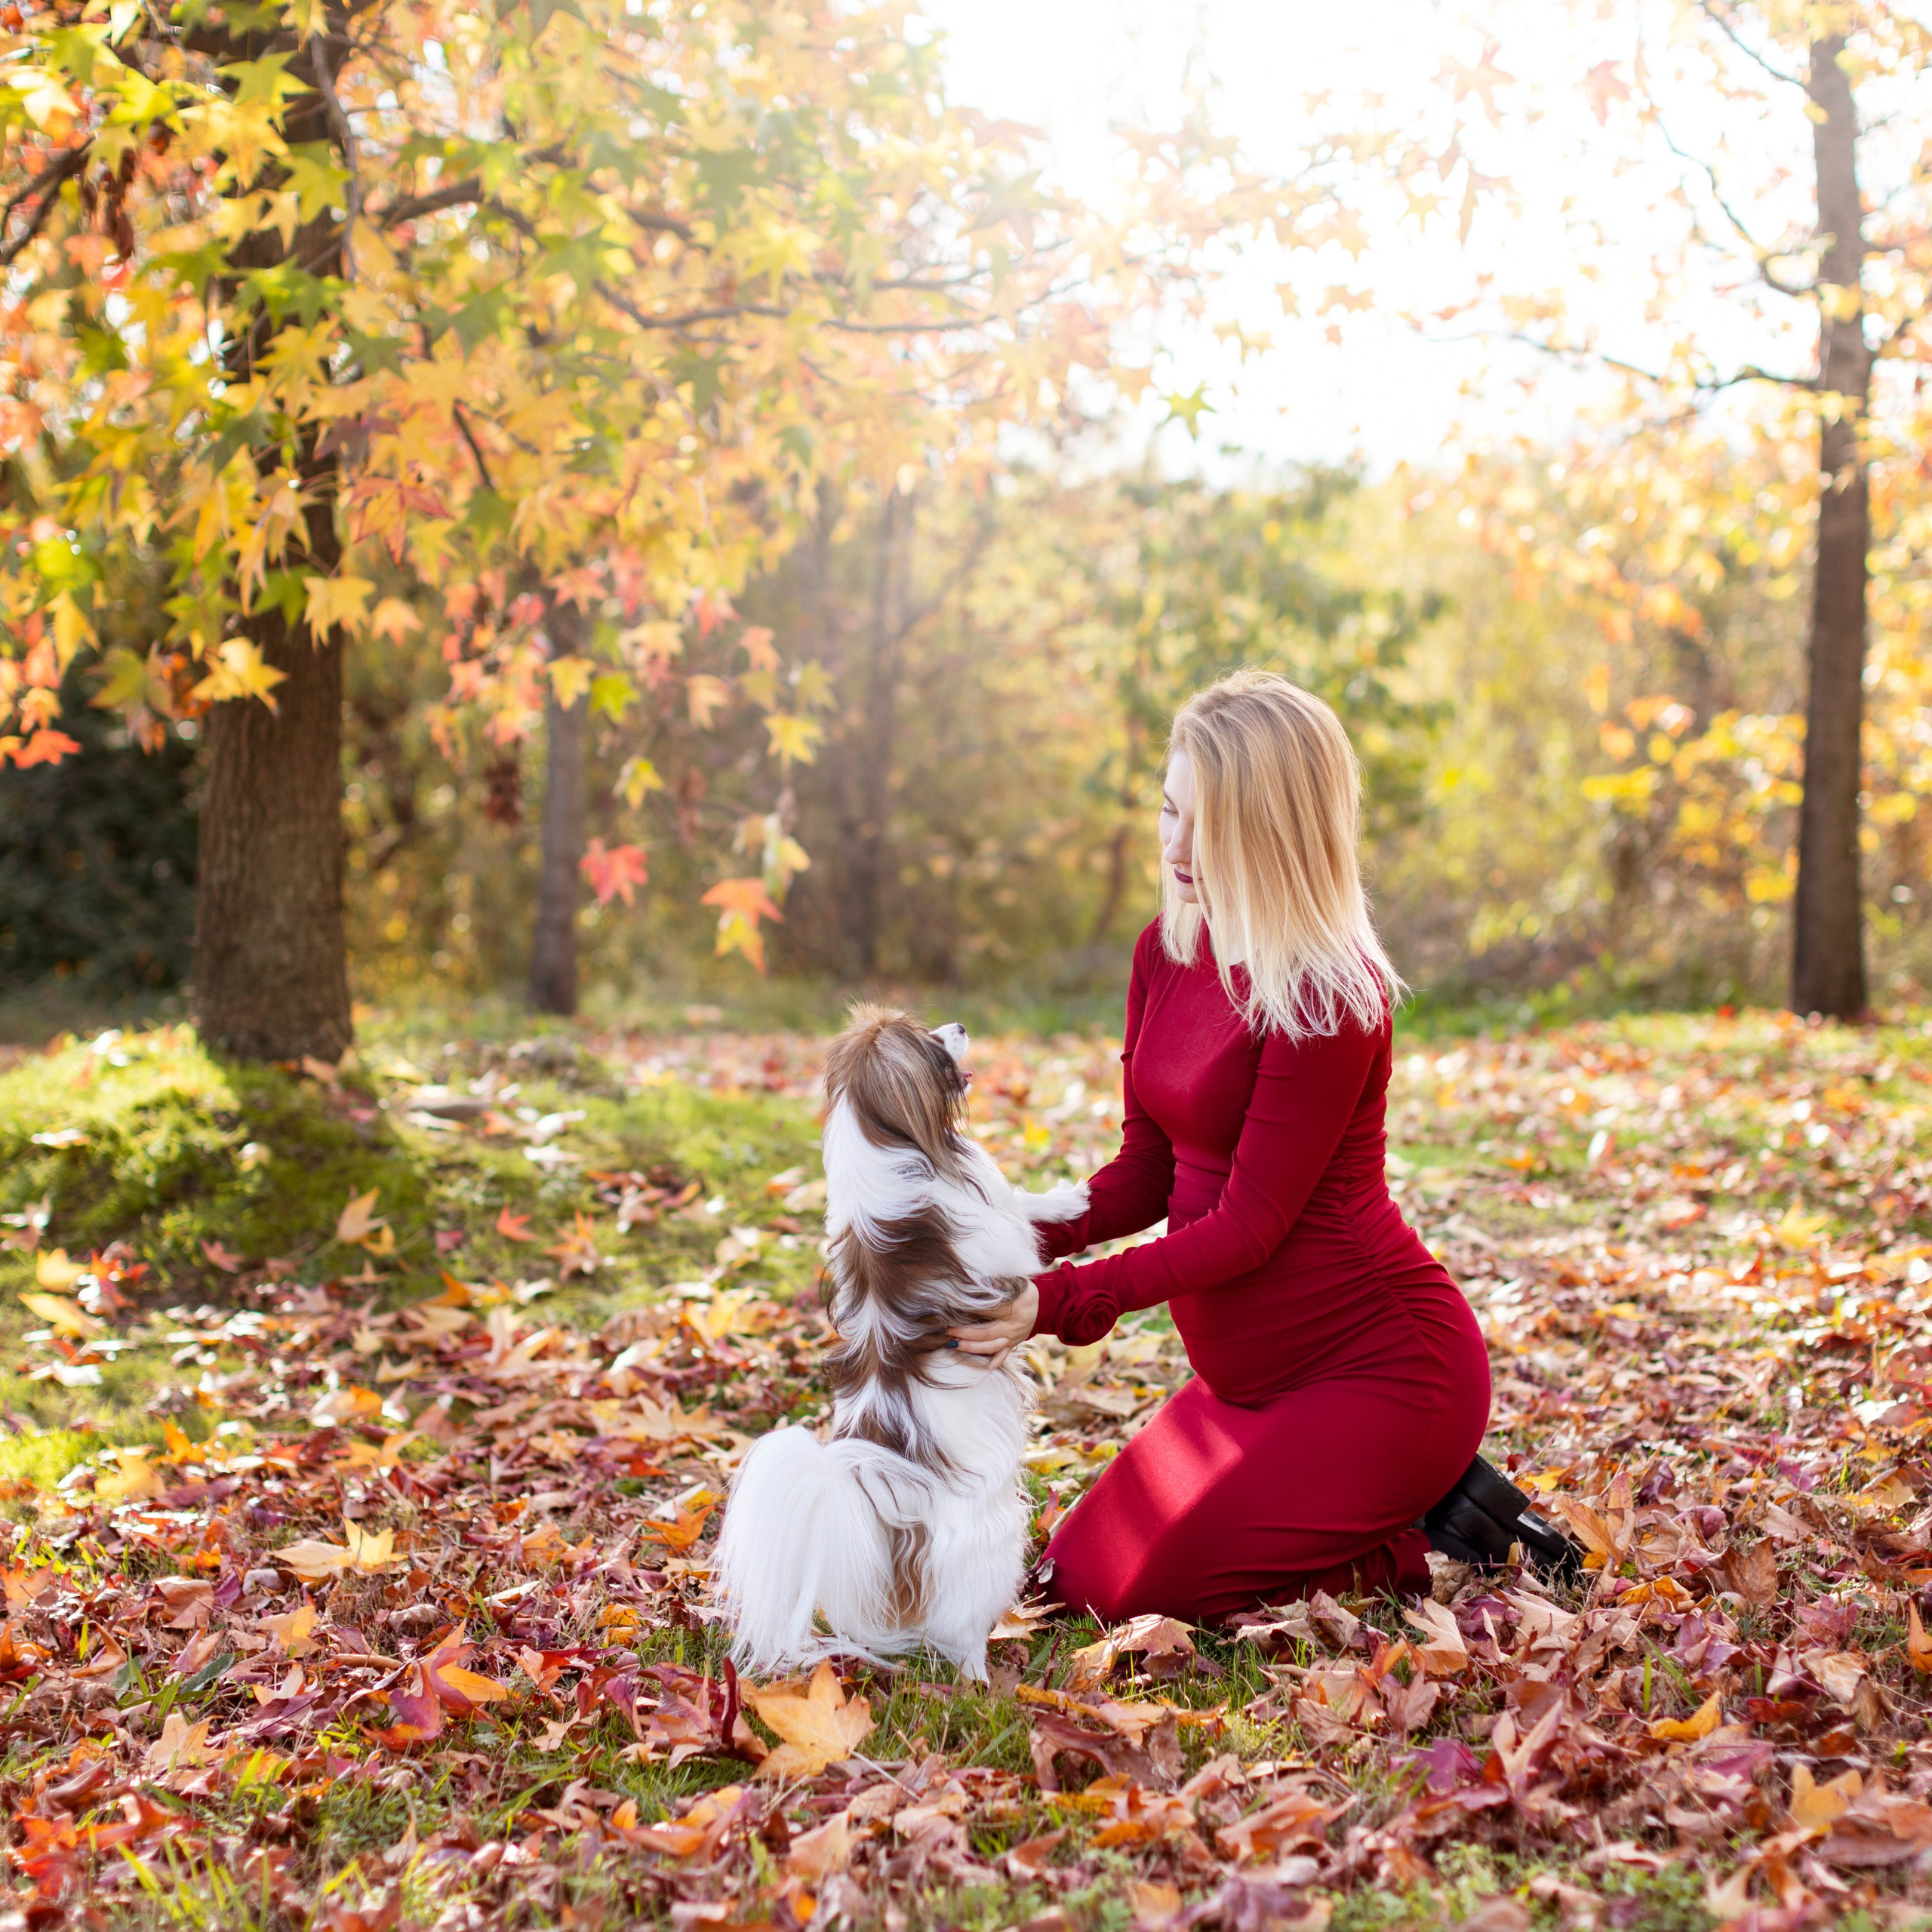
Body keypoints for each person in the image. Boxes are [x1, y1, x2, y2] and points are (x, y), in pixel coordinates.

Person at [949, 670, 1566, 1625]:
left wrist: (1055, 1304)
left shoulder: (1327, 990)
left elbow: (1248, 1228)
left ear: (1276, 828)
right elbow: (1144, 1173)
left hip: (1379, 1371)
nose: (1179, 844)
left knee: (1153, 1602)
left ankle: (1416, 1519)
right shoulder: (1167, 949)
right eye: (1168, 811)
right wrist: (1000, 1242)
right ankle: (1371, 1502)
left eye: (1214, 821)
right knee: (1073, 1581)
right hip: (1245, 1386)